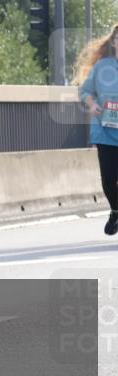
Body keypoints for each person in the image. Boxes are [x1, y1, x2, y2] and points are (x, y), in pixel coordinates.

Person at [76, 24, 118, 236]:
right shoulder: (102, 67)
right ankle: (116, 210)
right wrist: (92, 105)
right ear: (114, 42)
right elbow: (84, 91)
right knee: (109, 180)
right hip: (105, 131)